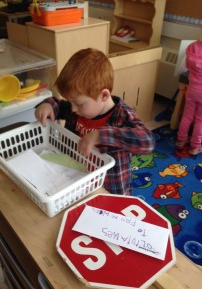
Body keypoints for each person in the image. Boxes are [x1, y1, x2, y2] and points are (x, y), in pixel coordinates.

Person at [35, 48, 155, 195]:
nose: (73, 109)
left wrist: (100, 135)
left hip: (109, 188)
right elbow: (59, 105)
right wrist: (48, 104)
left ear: (104, 95)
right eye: (70, 102)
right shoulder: (79, 109)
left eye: (78, 104)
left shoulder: (122, 115)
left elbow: (147, 141)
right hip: (78, 177)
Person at [176, 40, 202, 155]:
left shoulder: (193, 46)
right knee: (200, 120)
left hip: (192, 89)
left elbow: (187, 65)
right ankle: (195, 147)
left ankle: (181, 140)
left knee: (187, 116)